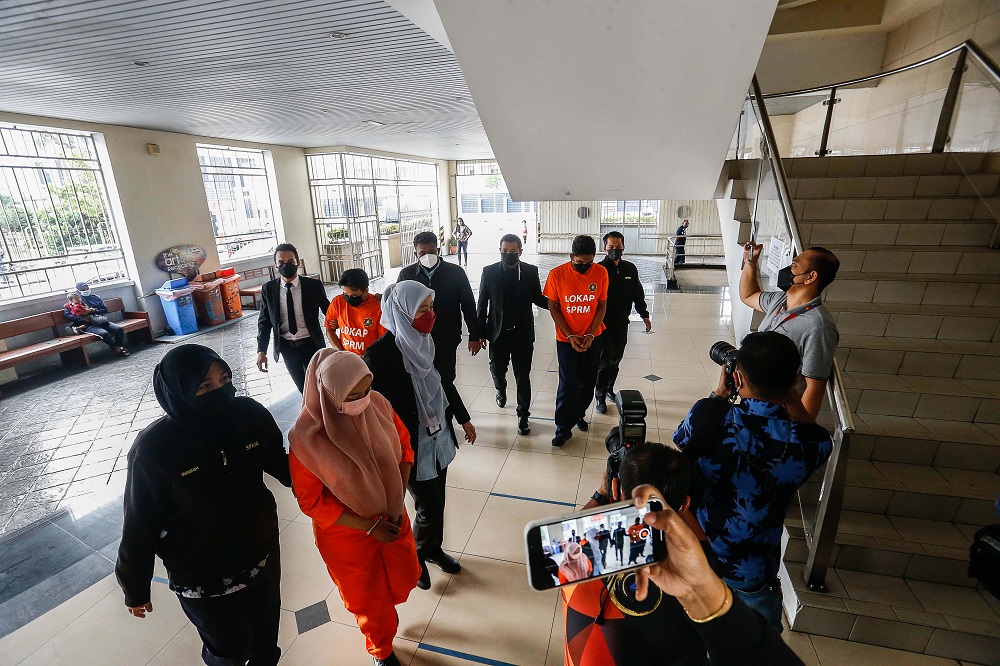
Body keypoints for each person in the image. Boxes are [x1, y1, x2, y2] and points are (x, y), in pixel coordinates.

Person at [116, 345, 291, 666]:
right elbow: (140, 523)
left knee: (266, 639)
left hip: (261, 551)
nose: (220, 392)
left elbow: (283, 465)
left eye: (224, 379)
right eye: (204, 386)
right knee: (233, 648)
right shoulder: (155, 450)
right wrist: (135, 587)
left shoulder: (249, 417)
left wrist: (332, 478)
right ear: (178, 393)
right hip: (201, 571)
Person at [562, 442, 803, 665]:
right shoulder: (698, 574)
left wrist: (601, 494)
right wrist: (672, 502)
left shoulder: (575, 554)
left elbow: (566, 538)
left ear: (616, 489)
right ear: (685, 505)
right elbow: (701, 545)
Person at [674, 331, 833, 633]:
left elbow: (683, 439)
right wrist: (790, 394)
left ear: (737, 377)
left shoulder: (708, 419)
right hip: (753, 573)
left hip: (699, 556)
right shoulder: (812, 444)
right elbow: (812, 431)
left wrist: (721, 393)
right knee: (753, 652)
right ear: (794, 381)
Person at [289, 350, 420, 666]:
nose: (362, 400)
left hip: (393, 517)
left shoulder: (378, 406)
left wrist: (396, 501)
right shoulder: (307, 439)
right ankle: (381, 649)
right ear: (330, 394)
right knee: (368, 600)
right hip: (346, 532)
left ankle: (384, 618)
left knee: (405, 577)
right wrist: (369, 527)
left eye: (366, 389)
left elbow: (404, 450)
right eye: (353, 395)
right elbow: (312, 501)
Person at [365, 280, 477, 591]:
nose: (430, 315)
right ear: (402, 311)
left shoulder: (427, 340)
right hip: (408, 444)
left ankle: (432, 549)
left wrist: (464, 418)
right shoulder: (379, 354)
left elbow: (444, 383)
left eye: (431, 308)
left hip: (438, 434)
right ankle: (416, 556)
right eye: (422, 309)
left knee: (437, 501)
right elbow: (374, 412)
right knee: (427, 505)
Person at [740, 243, 840, 419]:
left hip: (778, 413)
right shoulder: (779, 301)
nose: (787, 269)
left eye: (794, 265)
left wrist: (799, 430)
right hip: (754, 399)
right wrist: (750, 263)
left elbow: (814, 386)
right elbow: (748, 296)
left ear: (810, 277)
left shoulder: (819, 326)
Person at [397, 231, 484, 417]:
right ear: (415, 254)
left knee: (446, 377)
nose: (427, 256)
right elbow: (397, 306)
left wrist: (474, 336)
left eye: (431, 251)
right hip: (416, 339)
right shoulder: (407, 274)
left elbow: (468, 304)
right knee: (420, 376)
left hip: (447, 337)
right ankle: (426, 413)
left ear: (438, 250)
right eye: (422, 253)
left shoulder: (455, 273)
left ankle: (447, 415)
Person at [476, 234, 548, 435]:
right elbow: (481, 305)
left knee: (523, 376)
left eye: (512, 251)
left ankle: (523, 415)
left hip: (522, 334)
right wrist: (479, 333)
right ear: (500, 251)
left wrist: (557, 304)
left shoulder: (530, 271)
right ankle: (500, 388)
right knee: (497, 370)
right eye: (504, 251)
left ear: (520, 252)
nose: (508, 254)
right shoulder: (489, 272)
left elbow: (537, 297)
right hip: (498, 334)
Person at [544, 235, 609, 446]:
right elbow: (553, 307)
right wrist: (570, 335)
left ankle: (579, 414)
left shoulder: (601, 273)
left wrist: (590, 334)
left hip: (593, 337)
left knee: (587, 380)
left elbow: (601, 305)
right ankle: (563, 428)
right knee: (567, 383)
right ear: (571, 256)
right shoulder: (557, 275)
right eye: (580, 263)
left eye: (589, 262)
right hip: (566, 339)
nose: (585, 267)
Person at [257, 243, 330, 393]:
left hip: (312, 345)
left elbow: (329, 310)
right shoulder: (269, 289)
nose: (286, 265)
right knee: (302, 388)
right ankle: (311, 415)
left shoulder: (313, 286)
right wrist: (261, 351)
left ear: (298, 262)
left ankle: (325, 414)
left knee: (320, 385)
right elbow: (264, 322)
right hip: (287, 347)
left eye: (290, 261)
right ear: (275, 265)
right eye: (281, 262)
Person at [595, 232, 652, 413]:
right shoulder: (598, 270)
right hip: (602, 325)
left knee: (616, 359)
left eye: (618, 247)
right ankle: (600, 395)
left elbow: (637, 293)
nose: (614, 250)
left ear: (623, 247)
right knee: (603, 361)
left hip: (621, 323)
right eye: (611, 247)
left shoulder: (630, 269)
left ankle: (610, 388)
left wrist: (644, 314)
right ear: (604, 248)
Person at [325, 268, 387, 355]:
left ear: (366, 291)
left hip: (370, 360)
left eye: (354, 295)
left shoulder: (378, 307)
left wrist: (369, 358)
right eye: (346, 295)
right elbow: (330, 331)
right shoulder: (338, 302)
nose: (349, 299)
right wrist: (341, 352)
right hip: (346, 358)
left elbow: (383, 341)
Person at [64, 282, 129, 356]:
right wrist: (83, 319)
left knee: (119, 329)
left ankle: (118, 347)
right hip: (90, 325)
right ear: (78, 291)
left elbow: (105, 310)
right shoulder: (75, 301)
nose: (86, 290)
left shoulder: (96, 298)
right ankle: (117, 348)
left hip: (101, 320)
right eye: (83, 289)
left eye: (87, 288)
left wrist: (94, 311)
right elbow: (68, 315)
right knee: (104, 334)